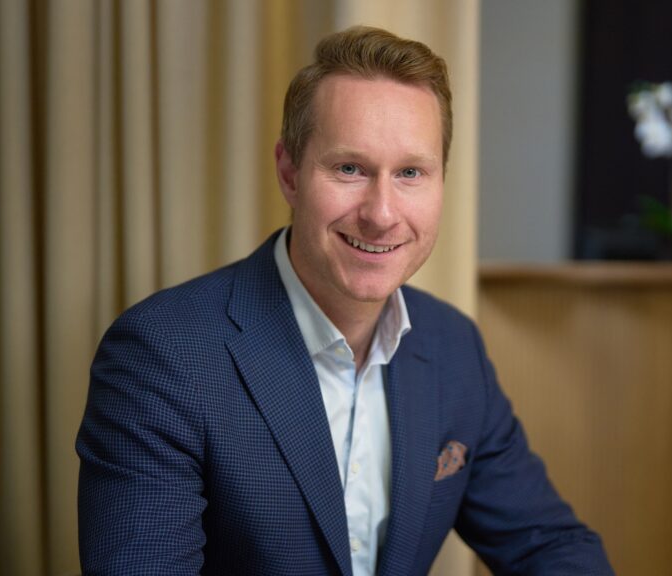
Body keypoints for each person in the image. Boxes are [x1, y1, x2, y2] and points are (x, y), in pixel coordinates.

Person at [77, 26, 614, 576]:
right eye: (349, 169)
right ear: (289, 173)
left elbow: (547, 545)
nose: (381, 214)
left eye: (410, 173)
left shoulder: (454, 347)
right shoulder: (162, 355)